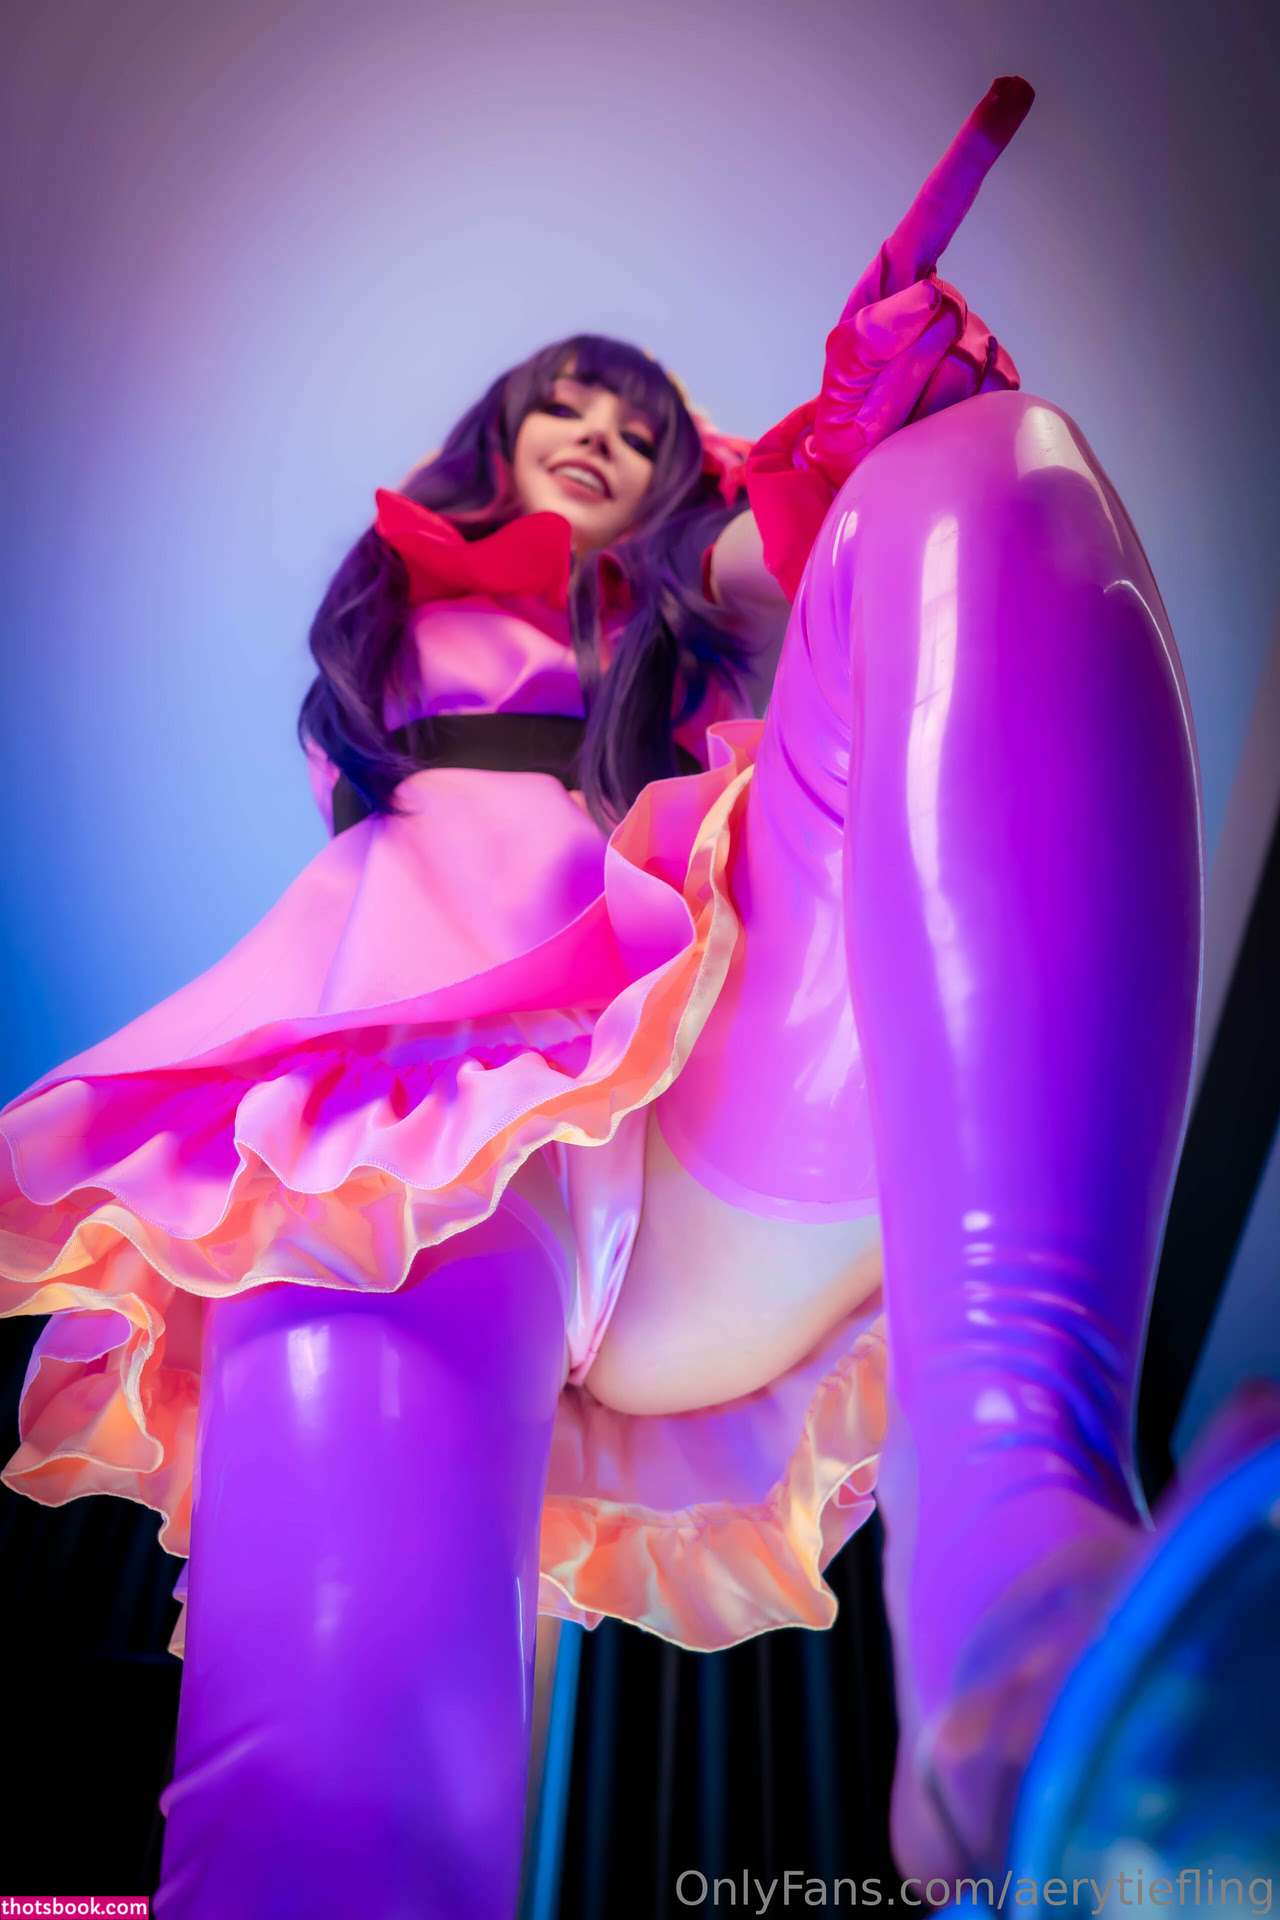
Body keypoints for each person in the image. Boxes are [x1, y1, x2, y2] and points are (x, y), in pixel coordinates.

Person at [1, 74, 1271, 1914]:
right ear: (493, 442)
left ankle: (1017, 1626)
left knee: (989, 477)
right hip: (408, 1154)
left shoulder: (697, 599)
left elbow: (796, 548)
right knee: (328, 1819)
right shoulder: (412, 624)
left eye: (635, 422)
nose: (598, 431)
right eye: (563, 405)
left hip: (703, 1131)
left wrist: (862, 422)